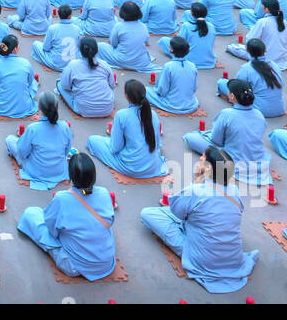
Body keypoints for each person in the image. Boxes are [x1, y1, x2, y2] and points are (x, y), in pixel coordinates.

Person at [140, 146, 258, 293]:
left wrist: (197, 181)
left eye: (201, 159)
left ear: (207, 168)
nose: (198, 161)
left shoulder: (195, 190)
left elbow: (177, 213)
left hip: (202, 261)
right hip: (234, 261)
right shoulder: (234, 190)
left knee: (148, 214)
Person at [17, 152, 116, 280]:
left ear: (71, 176)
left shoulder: (62, 198)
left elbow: (52, 230)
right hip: (106, 264)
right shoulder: (104, 193)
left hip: (74, 266)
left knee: (30, 214)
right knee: (99, 227)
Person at [87, 78, 167, 179]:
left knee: (92, 140)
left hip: (132, 167)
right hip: (153, 166)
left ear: (126, 96)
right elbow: (157, 144)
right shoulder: (153, 114)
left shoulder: (121, 115)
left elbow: (115, 148)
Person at [5, 92, 73, 189]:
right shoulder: (65, 127)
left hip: (36, 171)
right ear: (58, 108)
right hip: (59, 171)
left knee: (10, 140)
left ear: (39, 107)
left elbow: (22, 152)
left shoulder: (33, 129)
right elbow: (66, 151)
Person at [57, 36, 117, 118]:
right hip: (107, 109)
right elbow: (112, 86)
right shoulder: (104, 65)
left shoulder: (73, 65)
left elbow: (65, 86)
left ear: (80, 51)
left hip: (83, 109)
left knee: (59, 84)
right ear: (96, 50)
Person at [228, 0, 287, 70]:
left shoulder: (263, 22)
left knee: (232, 47)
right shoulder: (285, 22)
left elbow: (250, 40)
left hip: (264, 58)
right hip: (282, 58)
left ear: (266, 9)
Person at [0, 35, 38, 118]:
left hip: (2, 108)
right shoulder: (26, 63)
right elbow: (30, 82)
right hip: (25, 107)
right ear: (15, 49)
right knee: (33, 82)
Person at [147, 35, 199, 115]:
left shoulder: (168, 66)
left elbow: (162, 90)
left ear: (171, 49)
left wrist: (155, 90)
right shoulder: (192, 66)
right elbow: (194, 88)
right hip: (190, 105)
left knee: (146, 90)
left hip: (172, 105)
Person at [31, 4, 82, 71]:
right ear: (70, 16)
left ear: (58, 15)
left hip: (57, 64)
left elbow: (46, 48)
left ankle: (49, 65)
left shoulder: (52, 28)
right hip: (74, 64)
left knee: (35, 44)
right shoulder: (77, 29)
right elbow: (79, 47)